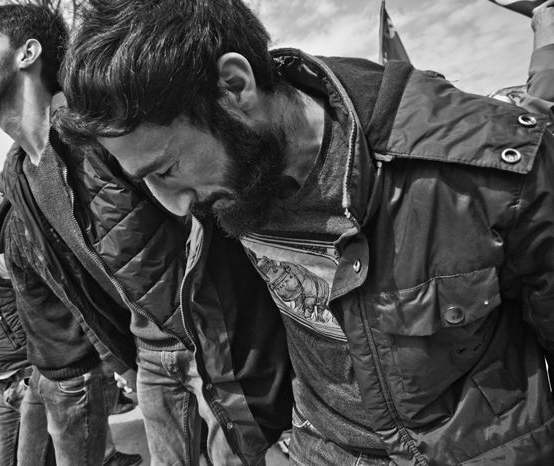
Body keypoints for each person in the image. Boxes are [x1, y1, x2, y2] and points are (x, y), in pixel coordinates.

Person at [59, 0, 554, 464]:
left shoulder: (485, 170)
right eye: (146, 180)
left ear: (234, 86)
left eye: (167, 169)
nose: (176, 205)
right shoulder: (225, 182)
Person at [0, 4, 292, 465]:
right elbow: (73, 289)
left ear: (27, 54)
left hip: (219, 346)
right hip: (148, 356)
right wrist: (122, 361)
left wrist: (237, 351)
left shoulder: (106, 126)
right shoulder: (17, 181)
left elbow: (218, 217)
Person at [0, 158, 141, 466]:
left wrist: (122, 366)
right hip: (43, 372)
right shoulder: (4, 236)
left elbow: (78, 299)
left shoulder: (23, 228)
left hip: (76, 374)